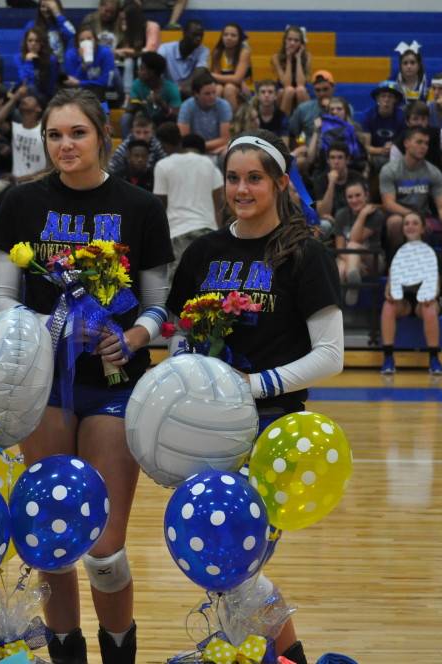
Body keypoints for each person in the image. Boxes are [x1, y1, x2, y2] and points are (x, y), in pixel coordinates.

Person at [0, 88, 174, 664]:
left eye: (77, 133)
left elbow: (160, 307)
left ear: (103, 138)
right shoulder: (19, 205)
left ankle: (119, 652)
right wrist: (58, 329)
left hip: (115, 385)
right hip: (41, 387)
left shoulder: (141, 208)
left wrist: (133, 337)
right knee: (50, 542)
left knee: (104, 548)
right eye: (54, 135)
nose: (65, 145)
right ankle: (65, 654)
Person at [165, 129, 343, 664]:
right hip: (205, 430)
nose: (242, 189)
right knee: (230, 565)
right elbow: (178, 331)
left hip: (272, 429)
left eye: (254, 179)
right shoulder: (204, 250)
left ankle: (287, 658)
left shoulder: (305, 253)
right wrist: (183, 368)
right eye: (234, 179)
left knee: (239, 562)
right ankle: (272, 657)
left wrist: (254, 385)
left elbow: (331, 355)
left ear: (280, 183)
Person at [379, 126, 442, 292]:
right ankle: (395, 273)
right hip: (399, 215)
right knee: (396, 223)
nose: (424, 147)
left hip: (425, 218)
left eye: (426, 143)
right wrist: (413, 216)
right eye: (419, 142)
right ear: (406, 143)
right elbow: (388, 204)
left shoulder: (433, 172)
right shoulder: (390, 170)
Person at [380, 212, 442, 375]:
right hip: (405, 302)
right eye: (407, 223)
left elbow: (436, 286)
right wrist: (390, 293)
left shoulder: (432, 252)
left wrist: (430, 296)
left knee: (429, 308)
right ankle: (388, 358)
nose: (410, 226)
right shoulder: (395, 251)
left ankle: (434, 359)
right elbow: (391, 282)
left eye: (415, 223)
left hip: (424, 301)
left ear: (422, 228)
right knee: (388, 306)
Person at [154, 132, 225, 279]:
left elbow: (159, 207)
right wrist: (220, 235)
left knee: (177, 291)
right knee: (208, 292)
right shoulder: (209, 163)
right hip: (207, 232)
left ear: (181, 147)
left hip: (177, 233)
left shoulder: (163, 164)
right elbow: (220, 202)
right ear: (203, 151)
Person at [333, 181, 385, 306]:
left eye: (358, 195)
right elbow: (340, 248)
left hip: (374, 260)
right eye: (350, 197)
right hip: (349, 259)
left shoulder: (376, 214)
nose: (354, 200)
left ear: (366, 196)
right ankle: (337, 308)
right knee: (340, 270)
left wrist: (361, 216)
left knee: (352, 246)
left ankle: (353, 283)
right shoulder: (341, 215)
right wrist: (354, 264)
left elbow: (354, 240)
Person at [388, 101, 442, 185]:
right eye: (415, 119)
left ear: (428, 120)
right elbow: (395, 174)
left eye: (423, 119)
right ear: (407, 122)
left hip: (438, 184)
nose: (420, 123)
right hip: (410, 188)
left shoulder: (437, 134)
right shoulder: (398, 144)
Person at [120, 51, 180, 139]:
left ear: (151, 72)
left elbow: (176, 115)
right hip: (144, 121)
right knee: (126, 118)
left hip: (163, 124)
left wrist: (162, 105)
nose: (138, 71)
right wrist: (137, 103)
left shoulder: (171, 88)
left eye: (141, 68)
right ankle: (129, 146)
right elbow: (129, 108)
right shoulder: (137, 83)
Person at [0, 86, 48, 180]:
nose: (25, 99)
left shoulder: (44, 132)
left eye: (29, 99)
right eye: (24, 98)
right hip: (15, 183)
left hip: (36, 184)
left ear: (38, 109)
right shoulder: (15, 128)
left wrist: (21, 179)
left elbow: (50, 168)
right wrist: (15, 97)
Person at [178, 71, 232, 155]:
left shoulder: (223, 105)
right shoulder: (187, 106)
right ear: (196, 94)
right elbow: (184, 138)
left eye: (214, 92)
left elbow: (225, 138)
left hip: (216, 151)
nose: (212, 97)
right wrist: (199, 147)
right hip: (193, 152)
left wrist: (200, 146)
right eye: (207, 94)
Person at [64, 27, 120, 107]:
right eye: (82, 40)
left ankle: (105, 117)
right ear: (77, 43)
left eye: (89, 38)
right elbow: (72, 82)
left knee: (98, 95)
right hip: (79, 91)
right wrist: (83, 64)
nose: (86, 42)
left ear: (95, 40)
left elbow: (105, 81)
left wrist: (80, 82)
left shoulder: (106, 53)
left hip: (99, 90)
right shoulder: (71, 54)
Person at [312, 141, 366, 222]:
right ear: (327, 160)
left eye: (340, 157)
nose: (336, 162)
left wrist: (339, 222)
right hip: (330, 222)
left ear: (347, 160)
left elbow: (365, 207)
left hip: (353, 221)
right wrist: (331, 183)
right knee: (324, 224)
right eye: (332, 158)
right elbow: (323, 214)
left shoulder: (358, 178)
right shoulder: (320, 180)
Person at [359, 80, 407, 173]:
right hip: (374, 155)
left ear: (396, 99)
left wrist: (393, 148)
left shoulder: (403, 117)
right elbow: (365, 147)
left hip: (398, 155)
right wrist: (381, 150)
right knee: (364, 161)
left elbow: (406, 144)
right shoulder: (367, 115)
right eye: (383, 96)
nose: (386, 100)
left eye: (390, 96)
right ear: (377, 98)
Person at [157, 19, 209, 97]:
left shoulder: (203, 50)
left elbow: (200, 71)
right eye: (194, 35)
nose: (198, 39)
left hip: (188, 89)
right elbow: (156, 69)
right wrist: (174, 89)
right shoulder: (165, 49)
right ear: (184, 33)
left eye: (200, 36)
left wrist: (181, 87)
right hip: (167, 90)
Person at [107, 114, 168, 178]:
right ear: (132, 132)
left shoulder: (156, 144)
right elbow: (111, 168)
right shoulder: (125, 146)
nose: (141, 137)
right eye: (138, 132)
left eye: (146, 132)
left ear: (152, 132)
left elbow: (166, 164)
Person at [287, 70, 336, 149]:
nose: (322, 94)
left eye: (325, 89)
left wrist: (329, 109)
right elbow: (294, 133)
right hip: (308, 150)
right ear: (313, 90)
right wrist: (301, 145)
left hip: (335, 152)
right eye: (318, 90)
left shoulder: (343, 108)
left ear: (333, 87)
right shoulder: (303, 109)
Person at [270, 26, 312, 116]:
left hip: (302, 93)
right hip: (283, 92)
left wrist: (298, 59)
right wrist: (289, 59)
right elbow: (286, 84)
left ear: (301, 44)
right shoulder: (276, 57)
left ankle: (303, 126)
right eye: (289, 39)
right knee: (289, 90)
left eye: (296, 40)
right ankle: (284, 125)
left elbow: (301, 83)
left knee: (300, 90)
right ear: (284, 41)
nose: (292, 43)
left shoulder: (307, 56)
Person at [210, 22, 252, 111]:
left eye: (233, 35)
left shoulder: (244, 52)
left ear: (239, 38)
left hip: (246, 91)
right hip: (225, 86)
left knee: (229, 89)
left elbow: (237, 79)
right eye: (226, 35)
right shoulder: (217, 53)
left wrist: (213, 76)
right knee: (218, 88)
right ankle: (216, 120)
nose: (229, 38)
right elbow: (217, 81)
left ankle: (234, 123)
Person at [15, 25, 60, 104]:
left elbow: (51, 86)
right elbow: (25, 81)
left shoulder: (51, 59)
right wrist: (28, 62)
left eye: (37, 41)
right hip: (24, 95)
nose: (33, 44)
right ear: (25, 42)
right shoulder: (19, 58)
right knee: (31, 88)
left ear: (42, 43)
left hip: (43, 97)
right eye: (30, 40)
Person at [24, 0, 76, 65]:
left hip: (60, 66)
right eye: (43, 6)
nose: (46, 9)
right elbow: (23, 48)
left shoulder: (62, 23)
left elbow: (72, 33)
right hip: (40, 65)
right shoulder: (32, 25)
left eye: (49, 6)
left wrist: (57, 13)